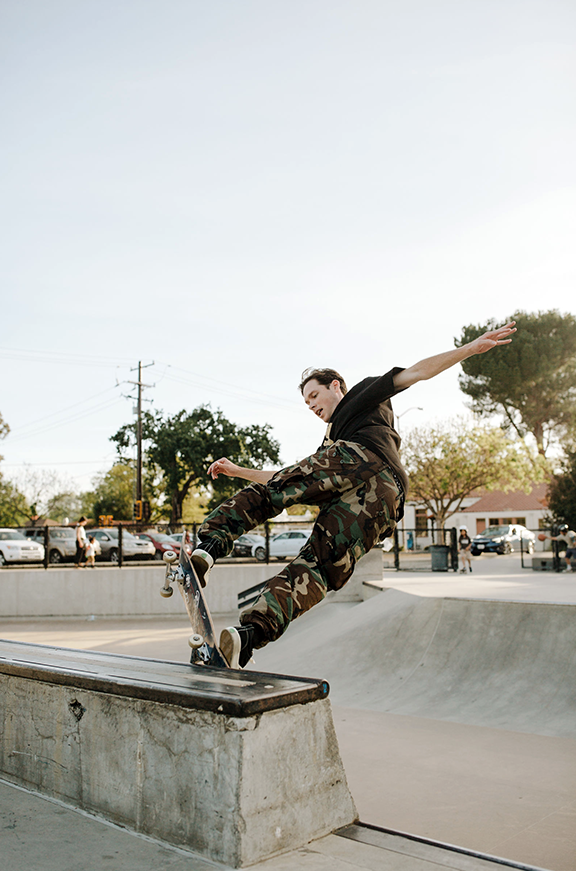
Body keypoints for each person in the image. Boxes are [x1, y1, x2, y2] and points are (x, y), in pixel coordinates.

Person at [192, 321, 517, 668]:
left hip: (365, 460)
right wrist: (238, 471)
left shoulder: (361, 394)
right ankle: (248, 637)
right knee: (318, 566)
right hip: (385, 502)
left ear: (336, 386)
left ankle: (211, 544)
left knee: (287, 491)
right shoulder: (328, 444)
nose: (312, 406)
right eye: (306, 404)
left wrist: (469, 349)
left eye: (314, 396)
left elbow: (418, 372)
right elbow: (285, 479)